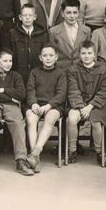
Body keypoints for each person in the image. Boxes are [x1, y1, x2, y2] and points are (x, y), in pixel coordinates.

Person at [0, 49, 32, 175]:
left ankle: (21, 160)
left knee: (18, 124)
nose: (8, 63)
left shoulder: (16, 76)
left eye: (10, 61)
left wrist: (3, 90)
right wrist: (10, 95)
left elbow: (21, 94)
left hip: (12, 106)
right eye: (5, 61)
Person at [66, 40, 106, 168]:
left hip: (97, 105)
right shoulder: (73, 69)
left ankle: (99, 152)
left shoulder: (103, 70)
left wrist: (90, 106)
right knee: (71, 118)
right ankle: (72, 150)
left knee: (96, 122)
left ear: (95, 55)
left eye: (89, 53)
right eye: (83, 53)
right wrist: (81, 107)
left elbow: (105, 92)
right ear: (79, 55)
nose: (86, 56)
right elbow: (73, 90)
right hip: (79, 104)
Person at [25, 43, 67, 173]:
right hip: (37, 104)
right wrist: (33, 103)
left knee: (50, 118)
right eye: (45, 55)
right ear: (40, 57)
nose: (48, 58)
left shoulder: (61, 74)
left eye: (51, 55)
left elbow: (61, 94)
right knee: (31, 118)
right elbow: (30, 89)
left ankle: (35, 152)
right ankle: (35, 156)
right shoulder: (34, 72)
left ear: (56, 57)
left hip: (53, 105)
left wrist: (49, 105)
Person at [10, 3, 49, 84]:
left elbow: (46, 52)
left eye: (30, 15)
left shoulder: (42, 34)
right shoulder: (13, 33)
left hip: (38, 73)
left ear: (35, 17)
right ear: (20, 17)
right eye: (24, 15)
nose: (27, 18)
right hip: (19, 73)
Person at [49, 0, 91, 70]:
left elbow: (88, 51)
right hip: (61, 70)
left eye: (75, 13)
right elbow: (52, 53)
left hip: (80, 70)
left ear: (79, 13)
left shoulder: (86, 30)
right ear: (62, 14)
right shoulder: (54, 31)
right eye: (68, 13)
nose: (72, 16)